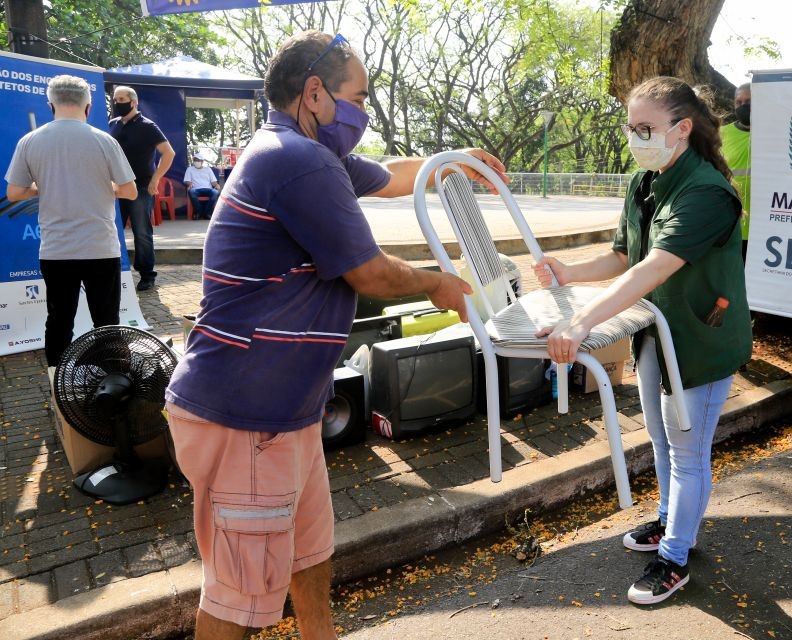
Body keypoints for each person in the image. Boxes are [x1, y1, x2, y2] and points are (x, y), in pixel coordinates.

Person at [163, 31, 507, 640]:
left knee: (308, 551)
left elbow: (396, 177)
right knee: (240, 590)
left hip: (288, 411)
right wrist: (437, 283)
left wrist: (455, 160)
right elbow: (368, 271)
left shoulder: (306, 151)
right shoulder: (295, 159)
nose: (365, 112)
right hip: (247, 411)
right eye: (360, 96)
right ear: (315, 92)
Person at [534, 76, 752, 606]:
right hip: (657, 332)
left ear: (682, 129)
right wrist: (569, 272)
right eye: (631, 128)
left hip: (700, 339)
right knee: (659, 438)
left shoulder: (706, 193)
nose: (636, 138)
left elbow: (654, 268)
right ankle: (666, 519)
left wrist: (581, 322)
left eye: (646, 128)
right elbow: (625, 256)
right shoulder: (645, 181)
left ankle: (675, 556)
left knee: (688, 449)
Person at [4, 75, 137, 369]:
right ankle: (114, 383)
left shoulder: (30, 141)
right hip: (100, 247)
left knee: (59, 320)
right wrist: (104, 187)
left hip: (56, 250)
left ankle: (58, 384)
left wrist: (42, 187)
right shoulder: (104, 140)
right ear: (87, 107)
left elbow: (13, 193)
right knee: (107, 320)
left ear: (51, 105)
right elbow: (129, 190)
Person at [109, 85, 175, 292]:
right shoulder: (112, 124)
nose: (117, 103)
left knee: (142, 232)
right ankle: (113, 273)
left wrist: (156, 179)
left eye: (121, 99)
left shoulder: (148, 126)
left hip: (140, 187)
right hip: (115, 187)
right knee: (111, 230)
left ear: (134, 102)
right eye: (115, 99)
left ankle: (147, 275)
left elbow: (169, 153)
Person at [720, 82, 751, 261]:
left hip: (763, 229)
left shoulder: (775, 133)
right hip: (731, 226)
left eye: (748, 101)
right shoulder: (721, 134)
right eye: (738, 102)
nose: (742, 106)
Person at [183, 153, 220, 219]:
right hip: (195, 189)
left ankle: (207, 213)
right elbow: (186, 180)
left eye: (198, 160)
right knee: (191, 192)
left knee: (215, 192)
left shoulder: (208, 169)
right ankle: (199, 213)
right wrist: (189, 183)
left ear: (202, 161)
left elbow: (213, 181)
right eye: (195, 160)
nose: (196, 161)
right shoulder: (190, 169)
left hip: (208, 189)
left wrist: (217, 185)